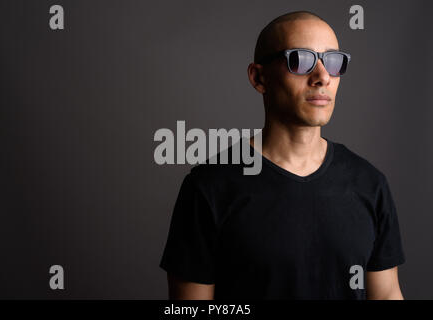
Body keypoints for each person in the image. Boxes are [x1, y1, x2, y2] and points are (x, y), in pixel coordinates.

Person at [159, 11, 405, 300]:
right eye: (301, 61)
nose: (322, 77)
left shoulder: (369, 183)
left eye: (334, 62)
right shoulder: (210, 187)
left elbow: (387, 294)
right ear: (259, 77)